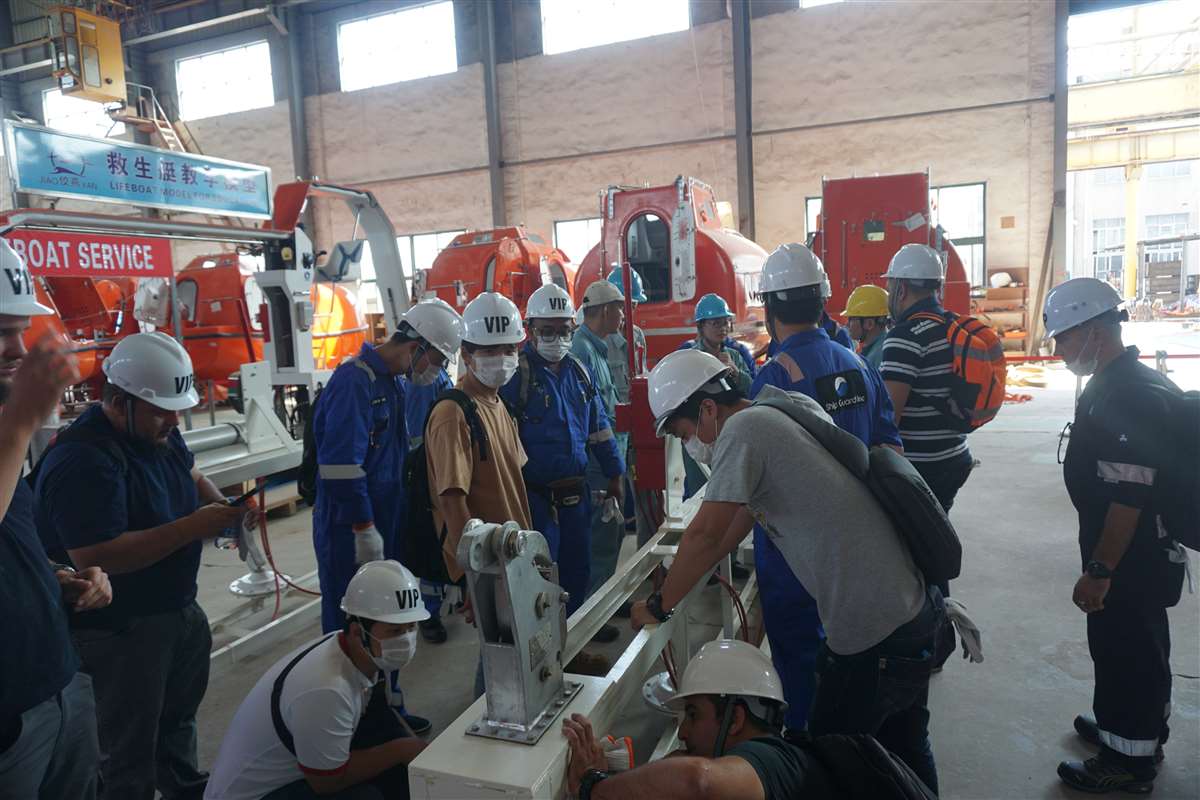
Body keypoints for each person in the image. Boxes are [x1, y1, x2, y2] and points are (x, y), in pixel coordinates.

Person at [631, 349, 940, 792]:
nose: (689, 444)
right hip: (911, 612)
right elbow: (732, 528)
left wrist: (659, 605)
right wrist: (682, 575)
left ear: (707, 409)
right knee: (906, 748)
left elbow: (705, 535)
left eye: (683, 432)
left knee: (830, 764)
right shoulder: (784, 408)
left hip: (874, 633)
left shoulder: (743, 430)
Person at [34, 332, 249, 800]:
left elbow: (191, 472)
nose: (174, 419)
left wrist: (225, 508)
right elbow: (99, 557)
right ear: (118, 402)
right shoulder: (83, 459)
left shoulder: (157, 430)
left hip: (175, 608)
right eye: (161, 410)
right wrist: (194, 526)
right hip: (121, 631)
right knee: (126, 752)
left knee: (176, 728)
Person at [747, 243, 903, 735]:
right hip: (861, 545)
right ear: (822, 301)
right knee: (849, 654)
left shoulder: (773, 376)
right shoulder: (858, 363)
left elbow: (755, 474)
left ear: (770, 308)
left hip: (795, 555)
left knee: (800, 661)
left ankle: (807, 749)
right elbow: (889, 449)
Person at [1043, 278, 1186, 794]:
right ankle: (1127, 730)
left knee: (1128, 650)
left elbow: (1130, 498)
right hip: (1125, 548)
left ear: (1095, 332)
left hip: (1132, 554)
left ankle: (1130, 761)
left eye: (1063, 337)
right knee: (1128, 644)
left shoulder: (1129, 395)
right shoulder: (1115, 382)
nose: (1058, 350)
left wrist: (1100, 570)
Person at [312, 299, 462, 735]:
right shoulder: (353, 382)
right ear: (416, 347)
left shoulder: (392, 382)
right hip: (349, 527)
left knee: (389, 618)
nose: (435, 370)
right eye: (436, 360)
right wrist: (363, 526)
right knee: (350, 623)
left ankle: (385, 710)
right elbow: (341, 466)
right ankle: (347, 723)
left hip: (385, 520)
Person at [0, 250, 109, 800]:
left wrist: (53, 575)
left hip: (59, 686)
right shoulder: (9, 433)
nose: (18, 350)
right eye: (0, 332)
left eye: (19, 331)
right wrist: (21, 420)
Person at [205, 560, 429, 800]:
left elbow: (385, 720)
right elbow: (328, 782)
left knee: (397, 763)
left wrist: (419, 752)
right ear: (357, 632)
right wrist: (402, 750)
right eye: (395, 631)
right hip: (255, 796)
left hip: (289, 775)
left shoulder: (359, 653)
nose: (406, 640)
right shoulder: (327, 689)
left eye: (411, 627)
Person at [562, 639, 840, 800]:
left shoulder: (770, 758)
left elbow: (699, 780)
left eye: (693, 715)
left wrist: (594, 786)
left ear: (735, 719)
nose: (683, 732)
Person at [424, 292, 533, 695]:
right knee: (500, 659)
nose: (501, 358)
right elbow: (452, 499)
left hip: (512, 551)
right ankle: (490, 723)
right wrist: (472, 575)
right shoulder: (453, 413)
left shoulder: (497, 403)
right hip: (487, 561)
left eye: (509, 349)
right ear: (467, 354)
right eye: (489, 350)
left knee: (512, 650)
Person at [499, 284, 624, 622]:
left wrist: (615, 473)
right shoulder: (515, 377)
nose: (556, 339)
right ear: (530, 330)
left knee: (577, 570)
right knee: (538, 577)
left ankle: (574, 637)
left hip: (576, 496)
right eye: (547, 331)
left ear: (573, 327)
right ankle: (544, 643)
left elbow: (599, 428)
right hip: (535, 500)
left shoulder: (579, 372)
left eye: (564, 330)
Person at [878, 244, 974, 514]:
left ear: (901, 289)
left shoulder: (905, 336)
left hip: (923, 465)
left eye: (890, 286)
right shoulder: (952, 324)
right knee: (937, 527)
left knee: (912, 538)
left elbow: (889, 416)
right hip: (956, 454)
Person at [570, 279, 627, 643]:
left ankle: (605, 597)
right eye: (619, 308)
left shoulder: (599, 347)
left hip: (609, 457)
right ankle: (592, 613)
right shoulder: (582, 350)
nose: (623, 315)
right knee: (599, 537)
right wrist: (608, 468)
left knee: (613, 532)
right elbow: (590, 418)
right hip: (596, 465)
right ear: (605, 310)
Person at [604, 266, 664, 553]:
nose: (629, 312)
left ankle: (651, 563)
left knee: (651, 499)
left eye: (634, 305)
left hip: (638, 428)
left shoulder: (638, 335)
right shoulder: (597, 342)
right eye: (625, 306)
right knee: (612, 503)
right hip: (612, 433)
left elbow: (642, 374)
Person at [676, 292, 753, 500]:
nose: (722, 328)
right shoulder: (689, 355)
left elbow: (752, 390)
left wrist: (735, 372)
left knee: (730, 485)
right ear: (701, 326)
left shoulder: (736, 355)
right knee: (698, 485)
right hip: (698, 429)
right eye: (715, 323)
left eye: (725, 322)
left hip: (729, 428)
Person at [404, 363, 454, 644]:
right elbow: (419, 432)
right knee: (432, 542)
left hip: (435, 461)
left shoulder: (438, 373)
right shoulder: (425, 380)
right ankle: (429, 612)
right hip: (428, 467)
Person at [842, 284, 891, 370]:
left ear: (869, 324)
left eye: (851, 319)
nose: (847, 324)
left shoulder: (878, 356)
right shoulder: (878, 348)